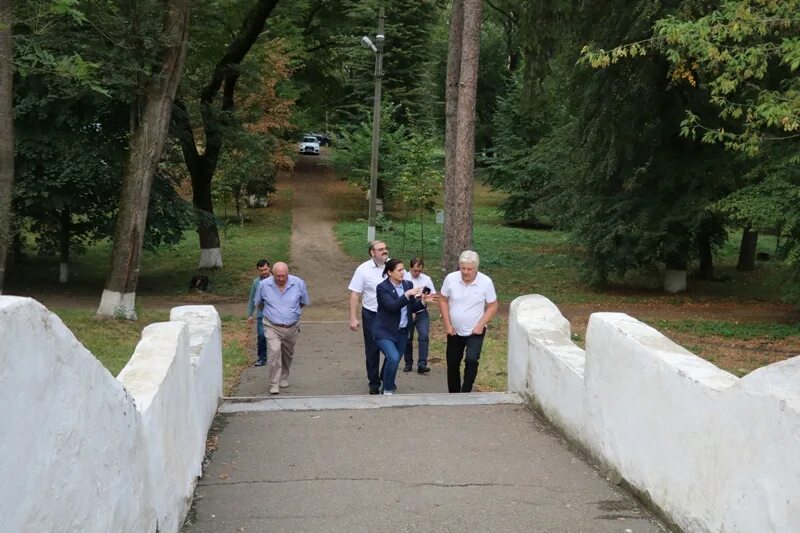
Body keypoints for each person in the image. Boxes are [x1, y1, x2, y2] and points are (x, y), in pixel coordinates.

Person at [373, 258, 437, 395]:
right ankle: (388, 390)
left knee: (394, 360)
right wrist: (407, 295)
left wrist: (423, 302)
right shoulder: (382, 288)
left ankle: (387, 383)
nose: (403, 273)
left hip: (402, 331)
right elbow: (392, 307)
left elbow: (412, 307)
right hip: (384, 331)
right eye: (399, 270)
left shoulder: (407, 284)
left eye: (403, 269)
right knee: (394, 357)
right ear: (390, 272)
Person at [438, 250, 498, 393]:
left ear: (476, 268)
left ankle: (466, 392)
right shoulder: (451, 279)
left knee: (471, 360)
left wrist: (480, 325)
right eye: (462, 268)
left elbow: (493, 305)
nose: (465, 272)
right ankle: (454, 393)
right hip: (454, 330)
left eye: (469, 269)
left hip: (475, 330)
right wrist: (447, 325)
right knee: (452, 363)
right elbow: (442, 299)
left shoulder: (485, 282)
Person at [253, 262, 310, 394]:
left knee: (287, 353)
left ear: (288, 273)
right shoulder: (263, 285)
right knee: (274, 351)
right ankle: (274, 383)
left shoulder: (299, 283)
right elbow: (259, 303)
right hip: (272, 325)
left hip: (291, 326)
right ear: (273, 273)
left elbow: (303, 302)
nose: (281, 279)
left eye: (283, 276)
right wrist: (273, 314)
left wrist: (291, 313)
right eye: (278, 276)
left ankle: (284, 376)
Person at [348, 240, 390, 394]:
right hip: (372, 314)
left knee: (393, 350)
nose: (384, 251)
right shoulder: (363, 270)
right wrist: (353, 317)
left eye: (386, 248)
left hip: (391, 315)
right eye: (380, 249)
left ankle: (386, 377)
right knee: (372, 349)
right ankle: (374, 382)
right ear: (372, 252)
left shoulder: (394, 266)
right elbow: (355, 294)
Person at [402, 257, 436, 374]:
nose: (417, 273)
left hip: (422, 311)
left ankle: (422, 364)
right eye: (414, 270)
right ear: (410, 268)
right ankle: (408, 363)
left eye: (419, 271)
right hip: (407, 311)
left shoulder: (426, 279)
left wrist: (426, 298)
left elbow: (433, 295)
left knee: (423, 336)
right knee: (407, 337)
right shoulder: (404, 278)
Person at [247, 259, 271, 367]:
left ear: (269, 268)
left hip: (277, 313)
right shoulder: (256, 282)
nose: (264, 272)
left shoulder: (277, 279)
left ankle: (281, 357)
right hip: (262, 313)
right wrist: (250, 314)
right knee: (261, 336)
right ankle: (262, 358)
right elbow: (252, 298)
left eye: (265, 269)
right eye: (261, 270)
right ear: (258, 271)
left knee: (280, 336)